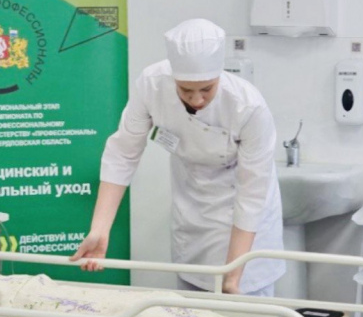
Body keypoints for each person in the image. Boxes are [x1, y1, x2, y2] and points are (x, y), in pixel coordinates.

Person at [71, 19, 285, 296]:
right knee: (191, 310)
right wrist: (99, 229)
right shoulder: (152, 84)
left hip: (245, 229)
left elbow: (251, 194)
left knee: (244, 312)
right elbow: (122, 153)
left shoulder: (248, 106)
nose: (196, 100)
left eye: (207, 89)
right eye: (185, 90)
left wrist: (233, 277)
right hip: (192, 213)